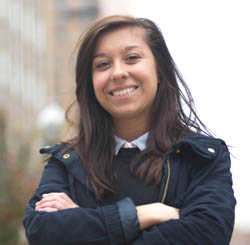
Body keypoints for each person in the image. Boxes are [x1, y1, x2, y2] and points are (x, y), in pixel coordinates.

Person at [23, 15, 236, 245]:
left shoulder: (202, 157)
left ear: (160, 70)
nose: (117, 73)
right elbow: (42, 230)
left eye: (132, 58)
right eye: (103, 64)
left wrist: (82, 225)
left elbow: (207, 234)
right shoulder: (66, 162)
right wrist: (144, 214)